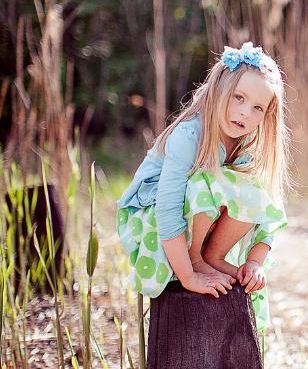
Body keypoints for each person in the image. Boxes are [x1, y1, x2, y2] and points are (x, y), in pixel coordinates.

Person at [116, 42, 290, 330]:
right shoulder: (189, 136)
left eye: (257, 107)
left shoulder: (246, 144)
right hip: (151, 222)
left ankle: (213, 256)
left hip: (189, 227)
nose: (245, 112)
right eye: (238, 98)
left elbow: (269, 207)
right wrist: (188, 275)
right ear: (219, 91)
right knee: (205, 182)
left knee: (254, 188)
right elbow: (167, 207)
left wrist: (256, 262)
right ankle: (197, 259)